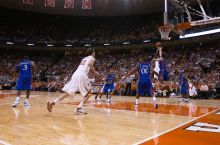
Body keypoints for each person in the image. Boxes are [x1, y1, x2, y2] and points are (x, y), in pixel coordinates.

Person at [47, 48, 99, 115]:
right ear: (93, 52)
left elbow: (85, 66)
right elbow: (89, 64)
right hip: (81, 75)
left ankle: (52, 102)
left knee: (69, 92)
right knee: (89, 93)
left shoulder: (84, 58)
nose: (94, 54)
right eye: (94, 52)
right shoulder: (92, 57)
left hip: (75, 74)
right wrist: (95, 72)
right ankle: (79, 108)